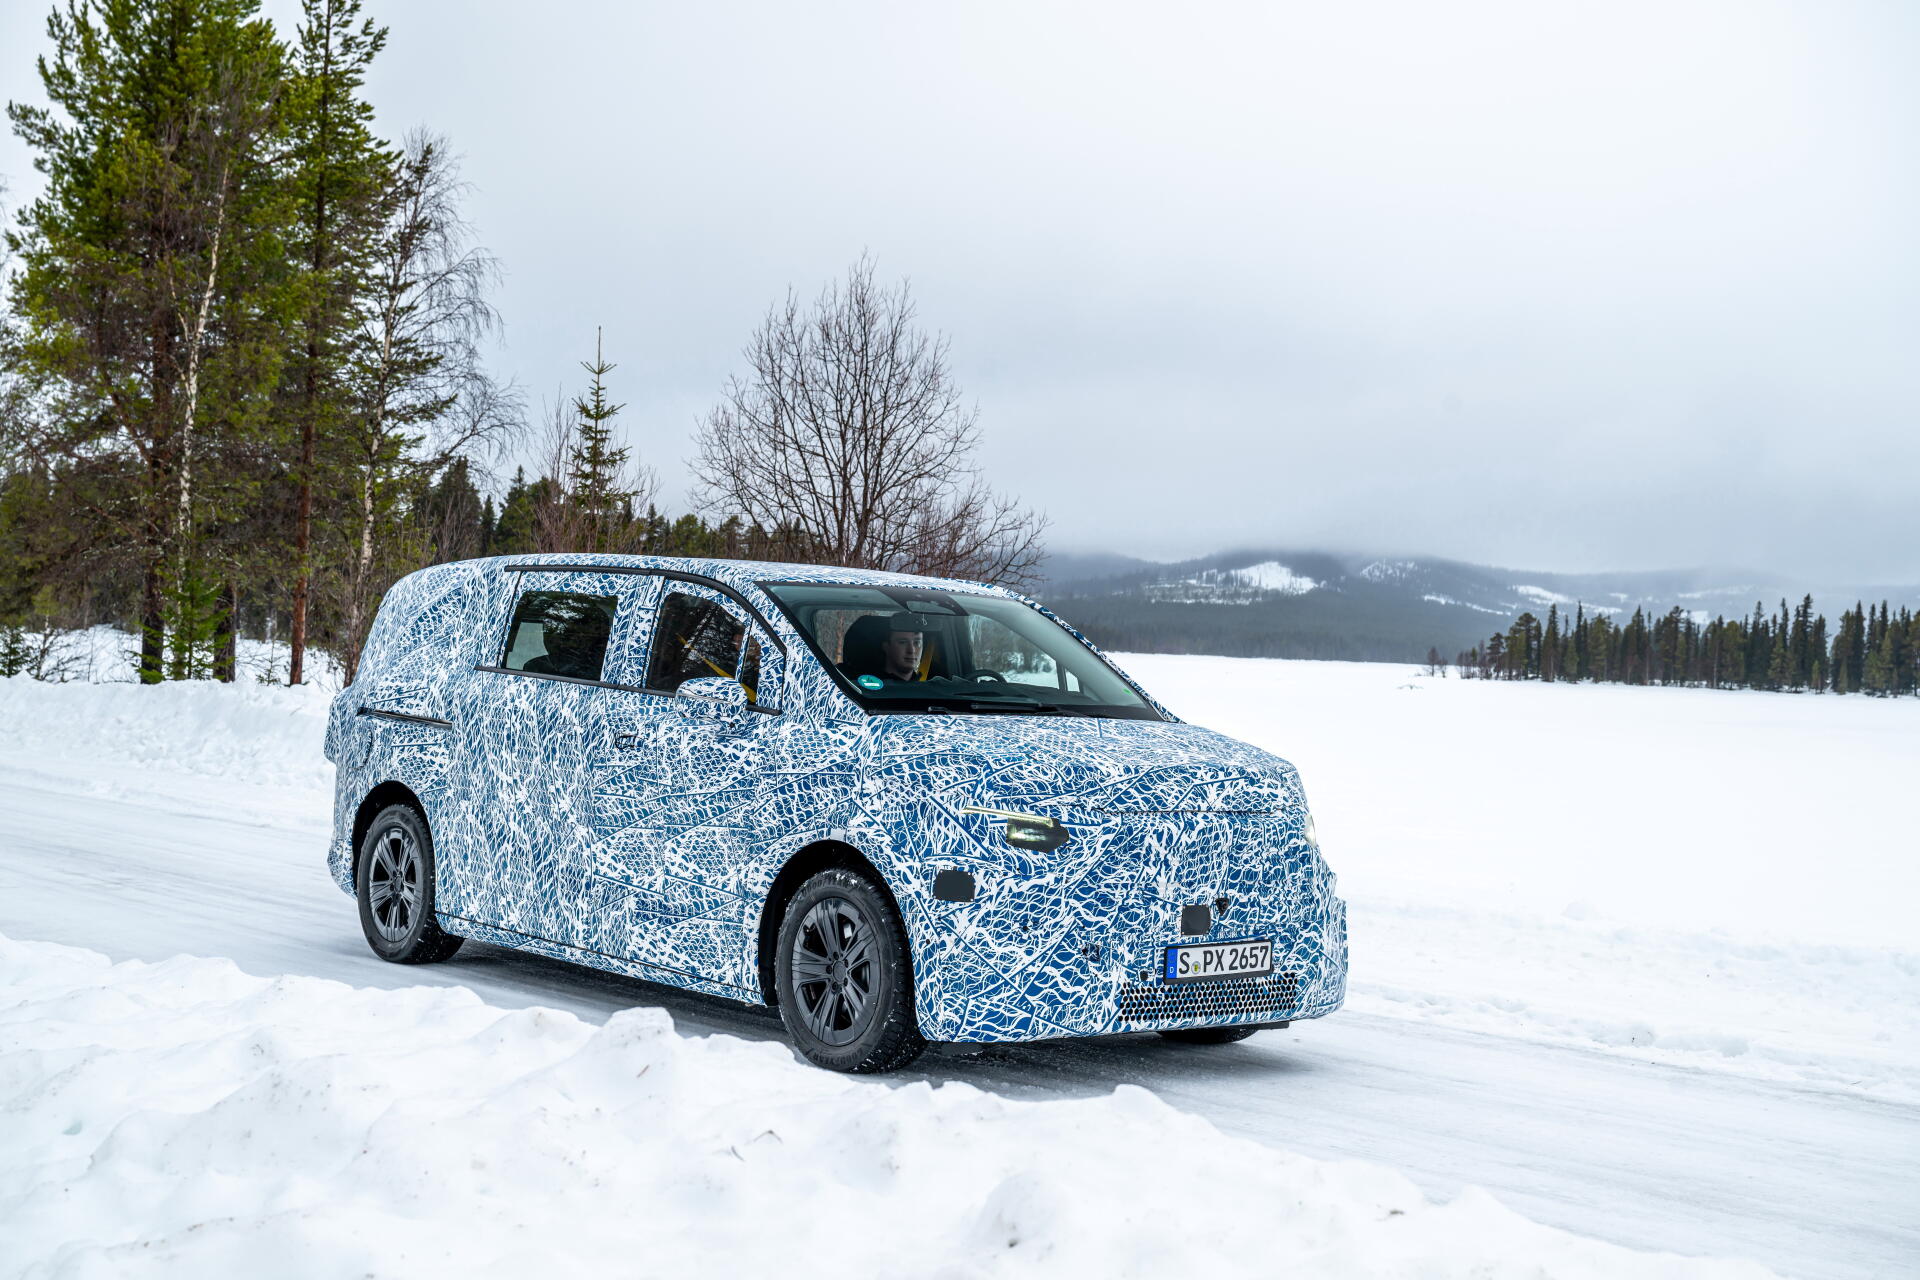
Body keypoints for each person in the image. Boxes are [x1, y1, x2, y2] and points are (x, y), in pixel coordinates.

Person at [841, 612, 927, 682]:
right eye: (902, 642)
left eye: (917, 643)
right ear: (886, 646)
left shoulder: (929, 690)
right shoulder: (862, 688)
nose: (911, 650)